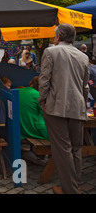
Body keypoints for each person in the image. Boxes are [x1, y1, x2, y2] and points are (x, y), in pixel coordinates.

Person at [38, 23, 89, 194]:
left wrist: (43, 101)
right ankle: (75, 185)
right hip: (78, 106)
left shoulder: (51, 51)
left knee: (63, 150)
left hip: (56, 107)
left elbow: (44, 80)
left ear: (58, 37)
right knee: (75, 148)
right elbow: (85, 87)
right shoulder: (83, 56)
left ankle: (70, 190)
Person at [19, 76, 48, 141]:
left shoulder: (18, 91)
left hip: (19, 130)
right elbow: (45, 115)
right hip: (33, 131)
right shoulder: (38, 95)